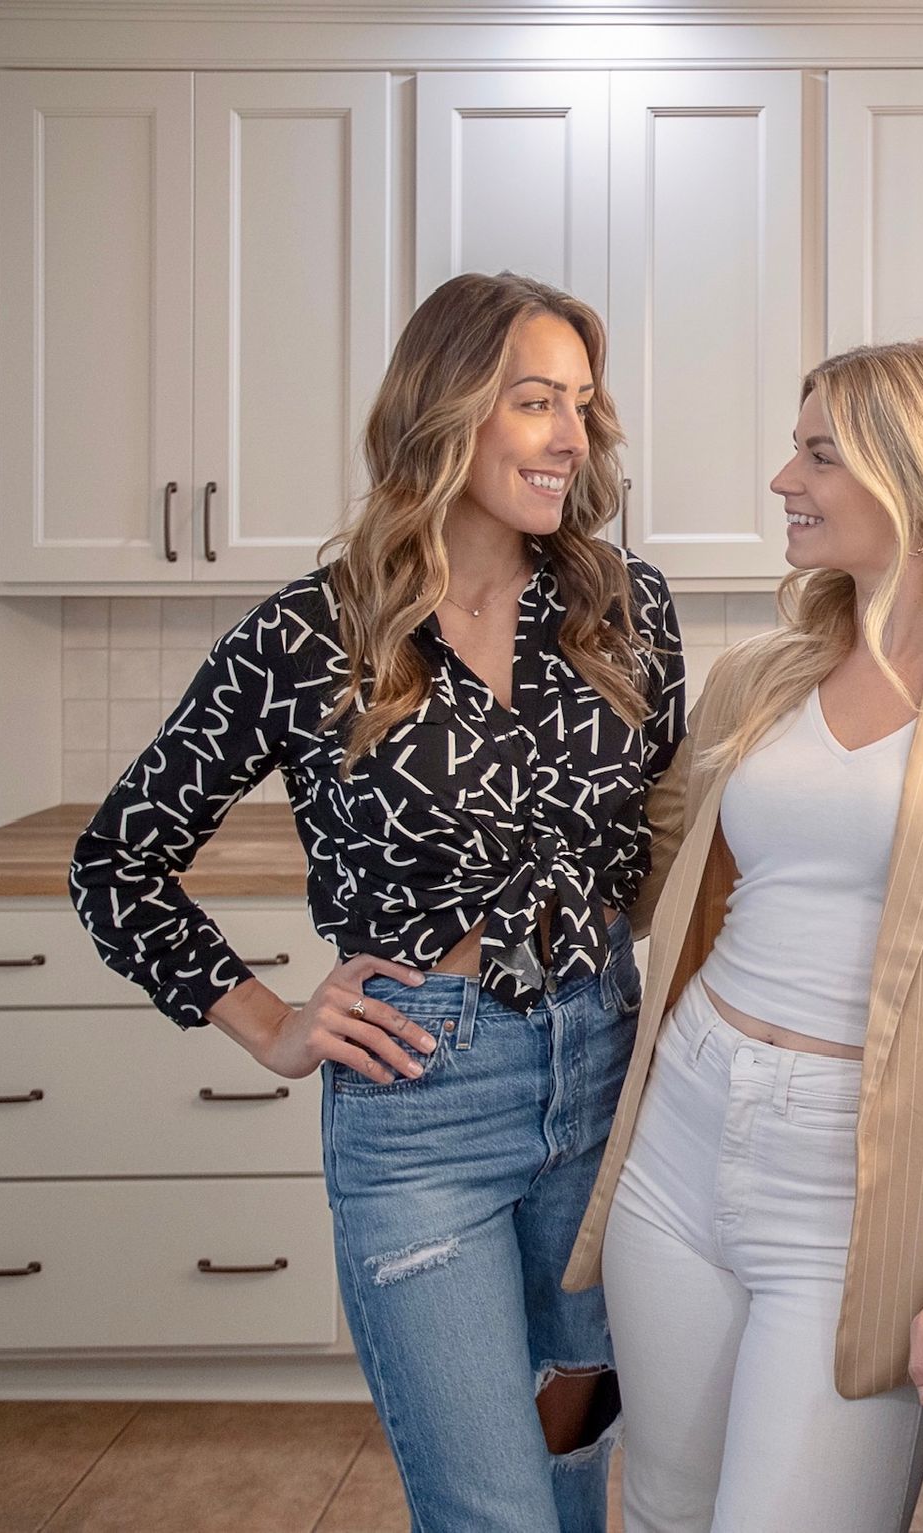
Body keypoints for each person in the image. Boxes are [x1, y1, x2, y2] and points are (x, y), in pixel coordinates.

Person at [69, 271, 684, 1533]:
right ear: (445, 411)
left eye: (582, 405)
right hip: (424, 1104)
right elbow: (117, 863)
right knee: (490, 1511)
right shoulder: (313, 635)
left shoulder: (629, 611)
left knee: (574, 1471)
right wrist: (273, 1027)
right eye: (534, 402)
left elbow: (671, 845)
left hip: (605, 1081)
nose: (572, 436)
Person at [560, 338, 923, 1532]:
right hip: (684, 1132)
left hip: (856, 1189)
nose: (782, 479)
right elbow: (639, 871)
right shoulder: (760, 675)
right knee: (664, 1506)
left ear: (917, 477)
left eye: (819, 453)